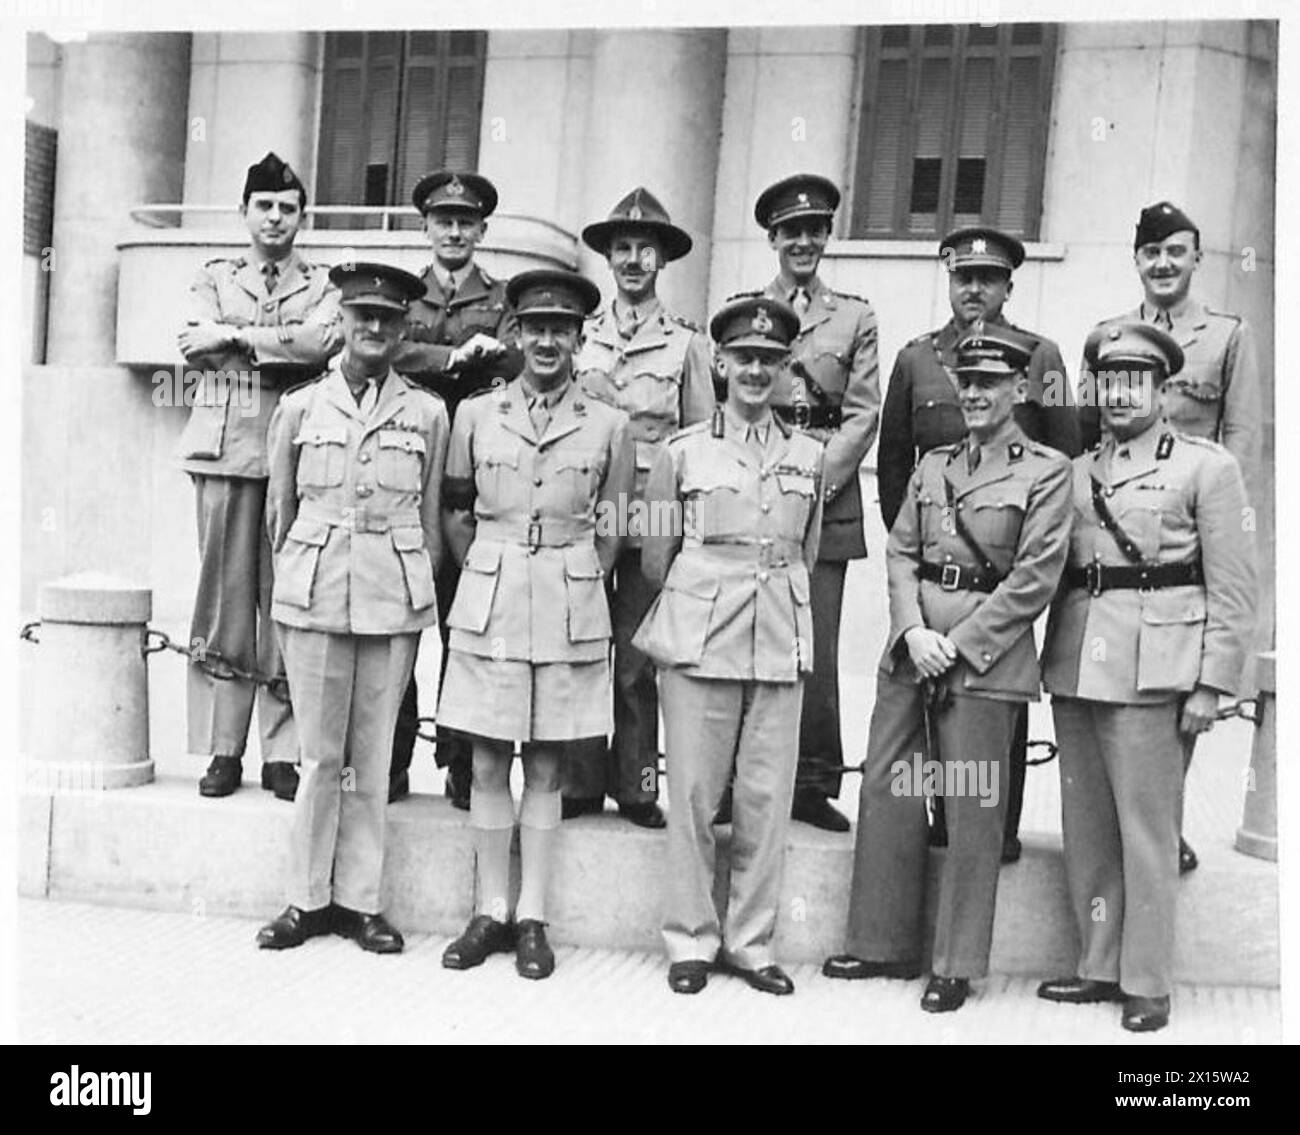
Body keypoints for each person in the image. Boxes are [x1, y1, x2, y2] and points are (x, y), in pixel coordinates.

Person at [823, 324, 1072, 1013]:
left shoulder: (1047, 470)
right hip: (914, 646)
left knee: (972, 806)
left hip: (983, 657)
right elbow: (901, 551)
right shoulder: (934, 464)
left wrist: (954, 642)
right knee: (890, 783)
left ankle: (956, 962)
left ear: (1020, 389)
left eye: (991, 383)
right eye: (967, 383)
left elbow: (1035, 578)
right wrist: (910, 629)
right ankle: (880, 942)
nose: (976, 395)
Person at [1038, 322, 1255, 1032]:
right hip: (1077, 664)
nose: (1120, 392)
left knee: (1149, 833)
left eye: (1136, 379)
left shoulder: (1206, 467)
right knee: (1089, 827)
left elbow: (1232, 588)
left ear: (1162, 389)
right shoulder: (1072, 472)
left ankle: (1148, 980)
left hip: (1156, 671)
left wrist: (1213, 683)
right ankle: (1098, 963)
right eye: (1109, 379)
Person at [438, 269, 633, 980]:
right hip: (490, 597)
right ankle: (489, 907)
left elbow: (613, 529)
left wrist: (567, 569)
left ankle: (533, 916)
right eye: (535, 327)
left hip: (568, 600)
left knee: (547, 762)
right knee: (488, 758)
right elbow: (456, 511)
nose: (548, 340)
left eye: (563, 328)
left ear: (581, 337)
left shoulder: (611, 425)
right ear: (515, 333)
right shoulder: (476, 416)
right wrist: (492, 566)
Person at [256, 262, 447, 953]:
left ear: (404, 329)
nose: (374, 328)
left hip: (390, 598)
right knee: (318, 756)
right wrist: (303, 577)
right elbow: (280, 516)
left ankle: (360, 901)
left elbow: (427, 521)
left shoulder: (428, 412)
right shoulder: (302, 408)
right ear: (340, 319)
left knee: (371, 759)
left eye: (388, 319)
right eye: (362, 315)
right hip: (315, 591)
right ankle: (305, 899)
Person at [876, 227, 1082, 864]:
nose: (974, 289)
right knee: (922, 717)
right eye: (963, 277)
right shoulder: (917, 359)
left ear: (1009, 286)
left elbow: (1065, 457)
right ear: (948, 281)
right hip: (935, 562)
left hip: (1004, 573)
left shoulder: (1040, 357)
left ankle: (998, 827)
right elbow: (893, 469)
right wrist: (925, 574)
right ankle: (938, 821)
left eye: (987, 279)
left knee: (994, 714)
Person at [635, 294, 822, 996]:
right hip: (699, 633)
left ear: (784, 368)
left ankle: (750, 941)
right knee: (690, 791)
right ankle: (689, 937)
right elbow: (656, 555)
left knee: (766, 797)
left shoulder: (811, 455)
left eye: (769, 360)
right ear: (719, 361)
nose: (755, 370)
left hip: (777, 631)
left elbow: (801, 548)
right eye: (744, 358)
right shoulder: (681, 452)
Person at [1077, 201, 1263, 875]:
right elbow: (1088, 430)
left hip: (1191, 528)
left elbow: (1241, 440)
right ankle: (1152, 831)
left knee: (1173, 707)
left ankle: (1165, 827)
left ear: (1195, 258)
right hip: (1120, 525)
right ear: (1137, 260)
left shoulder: (1228, 336)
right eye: (1151, 252)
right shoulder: (1108, 336)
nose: (1163, 264)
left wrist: (1232, 532)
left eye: (1176, 251)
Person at [176, 151, 341, 801]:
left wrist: (238, 339)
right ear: (243, 212)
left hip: (295, 454)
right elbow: (191, 341)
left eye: (288, 207)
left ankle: (282, 751)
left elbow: (323, 341)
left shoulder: (322, 282)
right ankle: (223, 748)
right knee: (225, 599)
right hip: (224, 449)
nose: (275, 217)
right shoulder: (213, 275)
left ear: (304, 217)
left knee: (288, 601)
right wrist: (271, 343)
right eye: (264, 206)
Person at [561, 187, 714, 828]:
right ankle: (577, 782)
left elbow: (703, 437)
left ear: (661, 261)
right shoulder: (581, 339)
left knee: (640, 658)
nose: (631, 260)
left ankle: (639, 785)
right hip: (594, 507)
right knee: (583, 649)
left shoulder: (685, 345)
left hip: (655, 513)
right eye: (621, 248)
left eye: (643, 250)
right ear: (607, 257)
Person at [387, 170, 523, 807]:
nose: (454, 232)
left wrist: (489, 353)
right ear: (426, 228)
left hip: (473, 480)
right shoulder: (402, 294)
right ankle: (389, 756)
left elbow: (521, 359)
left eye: (466, 223)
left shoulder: (503, 298)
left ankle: (462, 759)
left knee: (467, 623)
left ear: (481, 232)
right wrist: (450, 358)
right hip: (405, 469)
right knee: (395, 621)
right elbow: (383, 348)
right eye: (443, 221)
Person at [752, 173, 880, 832]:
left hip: (827, 502)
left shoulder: (855, 316)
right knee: (750, 633)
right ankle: (745, 777)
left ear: (827, 236)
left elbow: (863, 414)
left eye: (814, 229)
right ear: (772, 239)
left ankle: (813, 781)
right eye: (790, 231)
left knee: (817, 645)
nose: (803, 241)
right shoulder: (748, 310)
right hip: (761, 496)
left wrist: (814, 481)